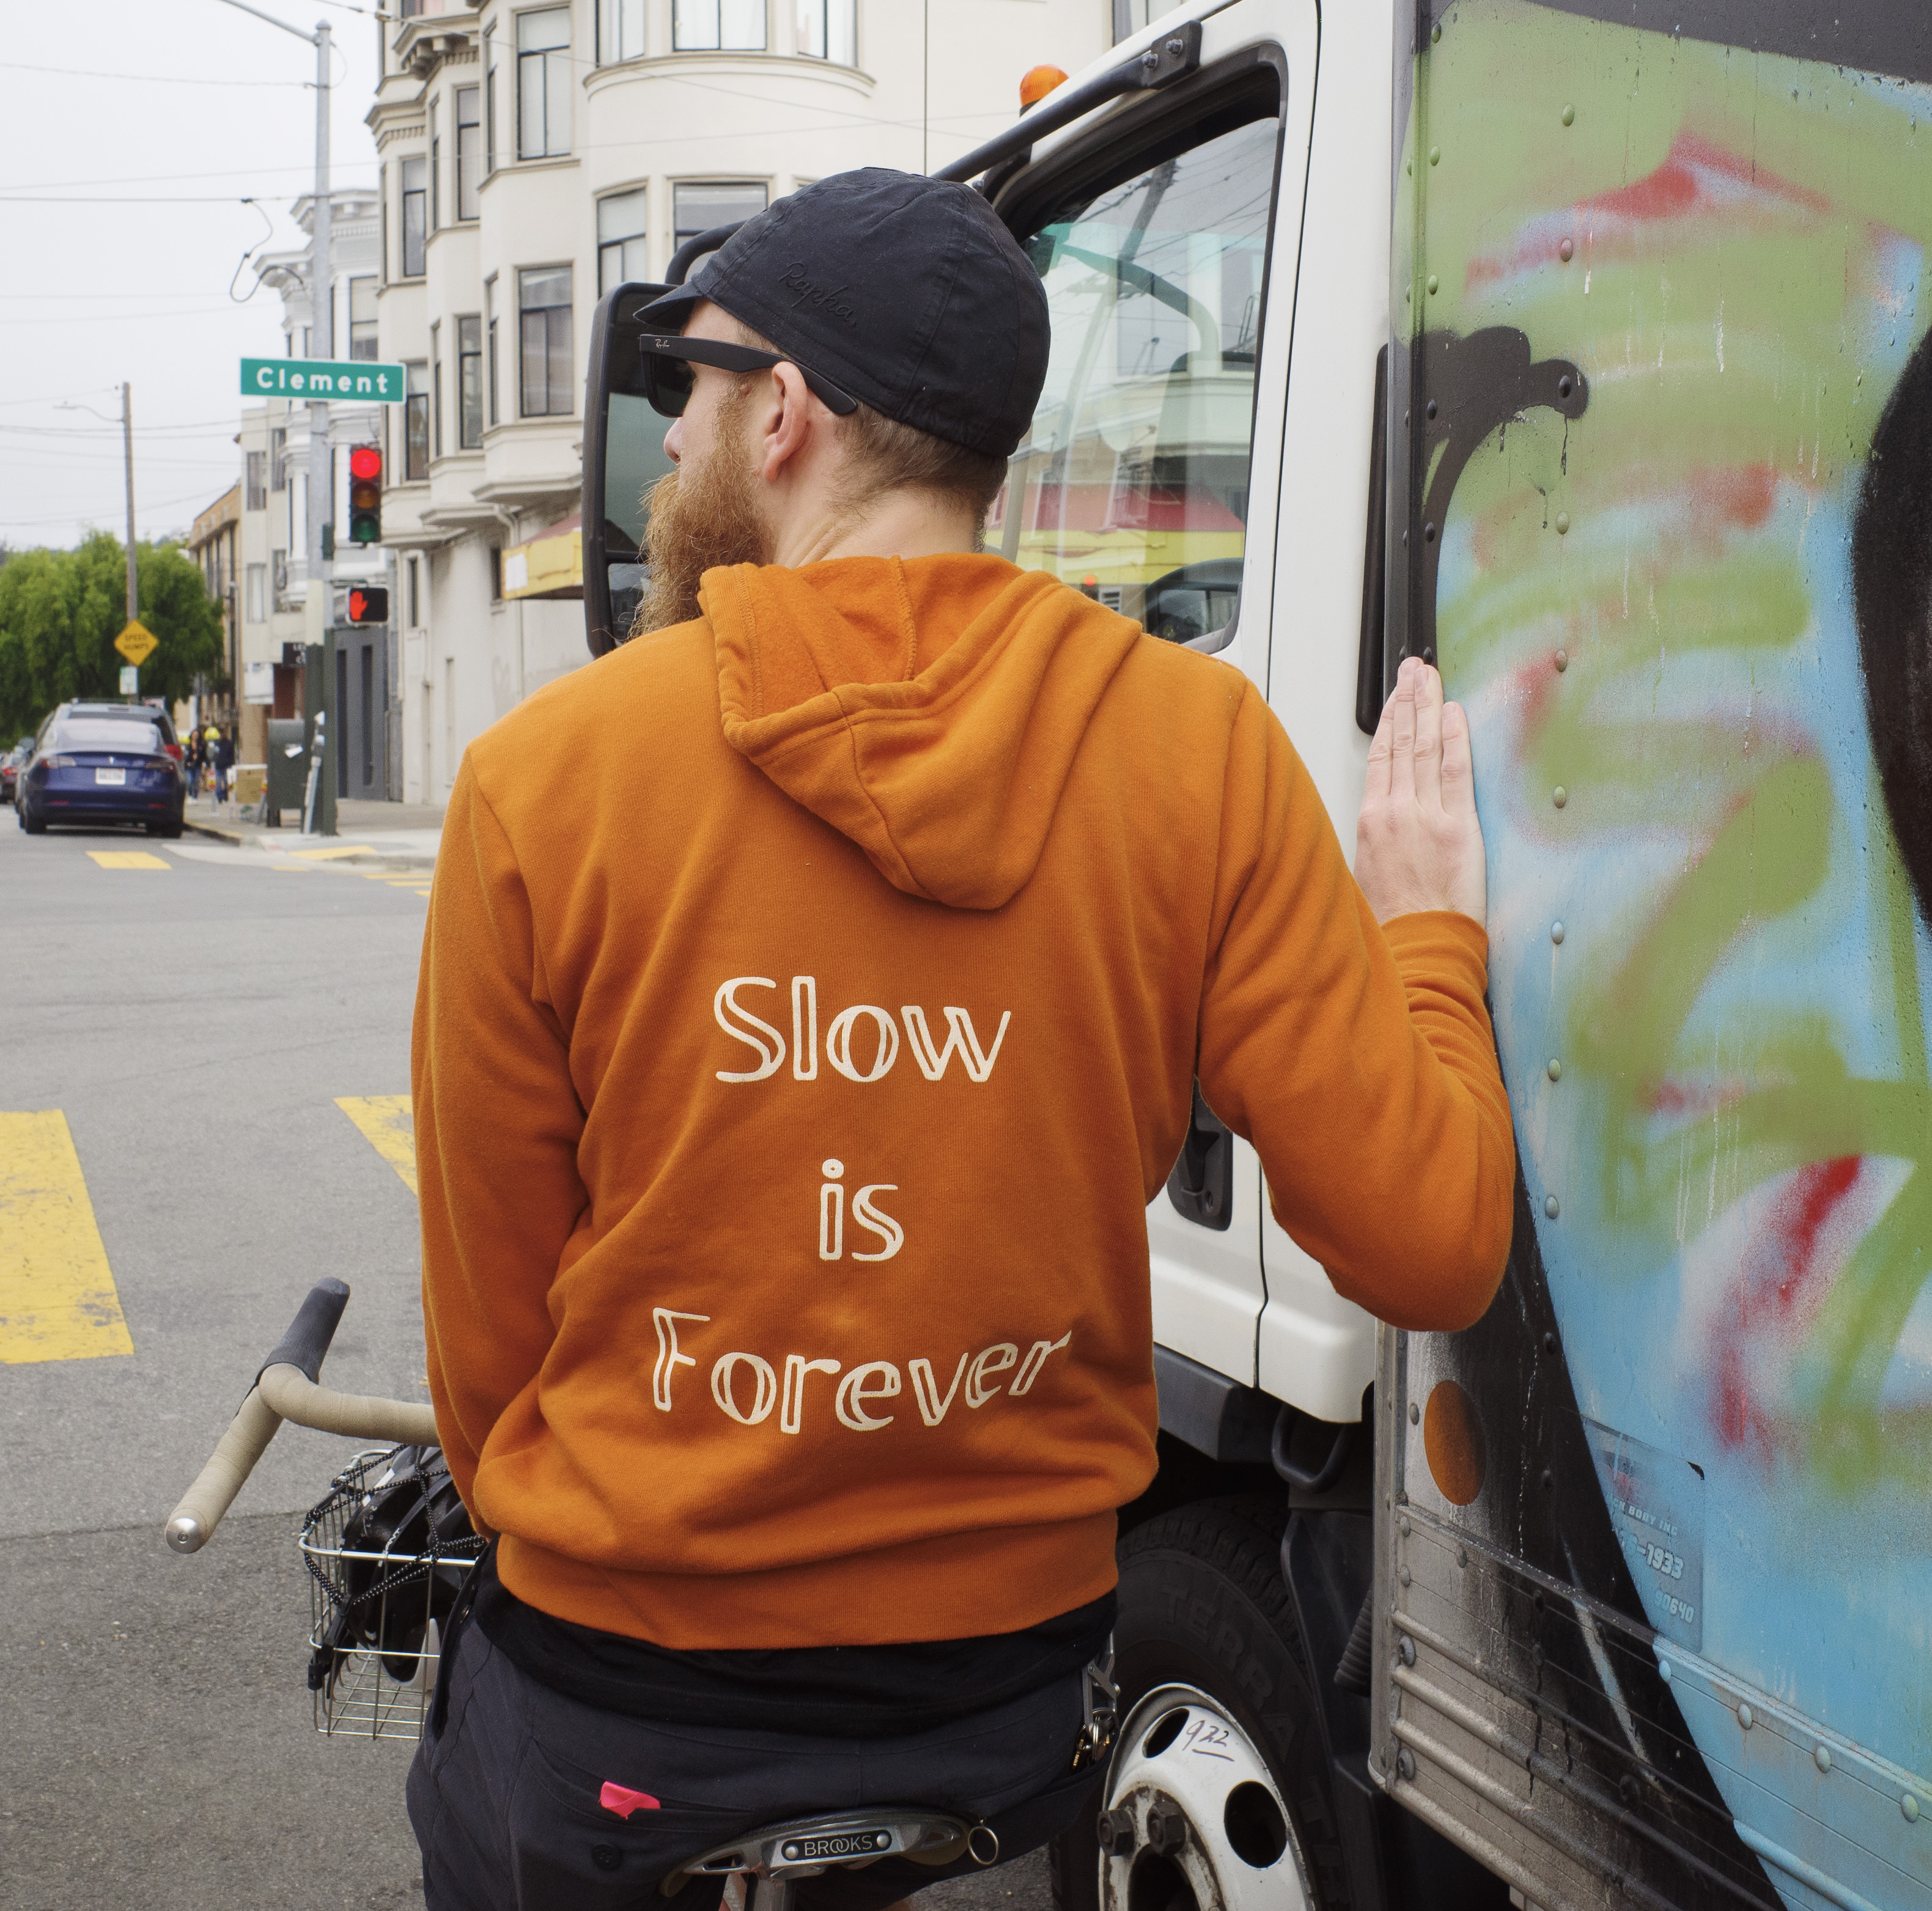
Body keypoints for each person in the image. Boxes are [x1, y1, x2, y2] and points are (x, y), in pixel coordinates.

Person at [407, 168, 1514, 1910]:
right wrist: (1428, 935)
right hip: (1005, 1698)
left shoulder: (544, 778)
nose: (675, 445)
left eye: (687, 392)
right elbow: (1430, 1248)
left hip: (635, 1700)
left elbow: (490, 1366)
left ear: (780, 414)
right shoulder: (1199, 750)